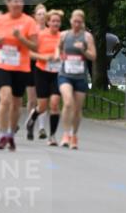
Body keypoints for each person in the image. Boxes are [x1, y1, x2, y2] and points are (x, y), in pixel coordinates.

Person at [0, 0, 38, 151]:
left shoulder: (29, 22)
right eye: (15, 1)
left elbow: (35, 46)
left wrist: (21, 38)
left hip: (21, 66)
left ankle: (11, 133)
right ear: (8, 3)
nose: (18, 4)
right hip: (1, 64)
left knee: (17, 103)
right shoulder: (0, 20)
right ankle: (2, 133)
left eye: (21, 1)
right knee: (5, 98)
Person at [57, 9, 96, 150]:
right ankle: (65, 134)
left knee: (78, 109)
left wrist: (83, 50)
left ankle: (74, 135)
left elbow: (93, 56)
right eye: (74, 21)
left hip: (80, 77)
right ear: (70, 21)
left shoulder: (87, 37)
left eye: (79, 22)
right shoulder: (63, 35)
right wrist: (59, 55)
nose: (77, 24)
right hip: (65, 74)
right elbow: (57, 49)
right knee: (67, 103)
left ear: (82, 22)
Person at [27, 9, 63, 145]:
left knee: (54, 104)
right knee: (42, 106)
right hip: (41, 72)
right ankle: (32, 119)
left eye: (58, 21)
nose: (55, 23)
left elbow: (67, 53)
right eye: (53, 21)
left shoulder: (62, 37)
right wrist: (44, 57)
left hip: (57, 73)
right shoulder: (40, 35)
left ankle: (52, 136)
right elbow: (29, 54)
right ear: (48, 22)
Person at [26, 3, 47, 140]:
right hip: (31, 64)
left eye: (44, 14)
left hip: (45, 65)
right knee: (32, 100)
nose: (42, 16)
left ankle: (42, 128)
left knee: (43, 99)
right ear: (34, 16)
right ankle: (31, 122)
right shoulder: (30, 32)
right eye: (39, 14)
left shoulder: (51, 31)